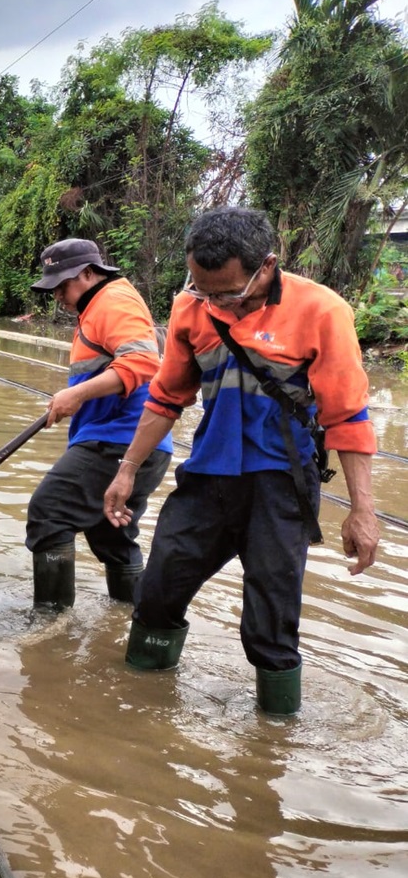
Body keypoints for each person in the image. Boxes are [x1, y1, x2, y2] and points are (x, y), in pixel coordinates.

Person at [102, 206, 379, 715]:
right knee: (158, 592)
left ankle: (272, 743)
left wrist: (362, 510)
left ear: (267, 266)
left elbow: (349, 417)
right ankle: (139, 713)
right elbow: (166, 398)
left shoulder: (322, 311)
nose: (216, 304)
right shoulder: (191, 310)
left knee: (270, 624)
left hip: (281, 487)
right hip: (207, 478)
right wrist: (126, 469)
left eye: (228, 293)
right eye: (204, 290)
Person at [25, 238, 172, 609]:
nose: (58, 294)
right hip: (135, 444)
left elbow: (141, 362)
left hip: (118, 441)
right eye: (53, 287)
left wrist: (76, 396)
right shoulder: (96, 308)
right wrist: (81, 397)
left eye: (63, 284)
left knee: (50, 512)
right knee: (112, 534)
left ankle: (51, 625)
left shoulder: (113, 301)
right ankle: (130, 618)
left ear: (89, 273)